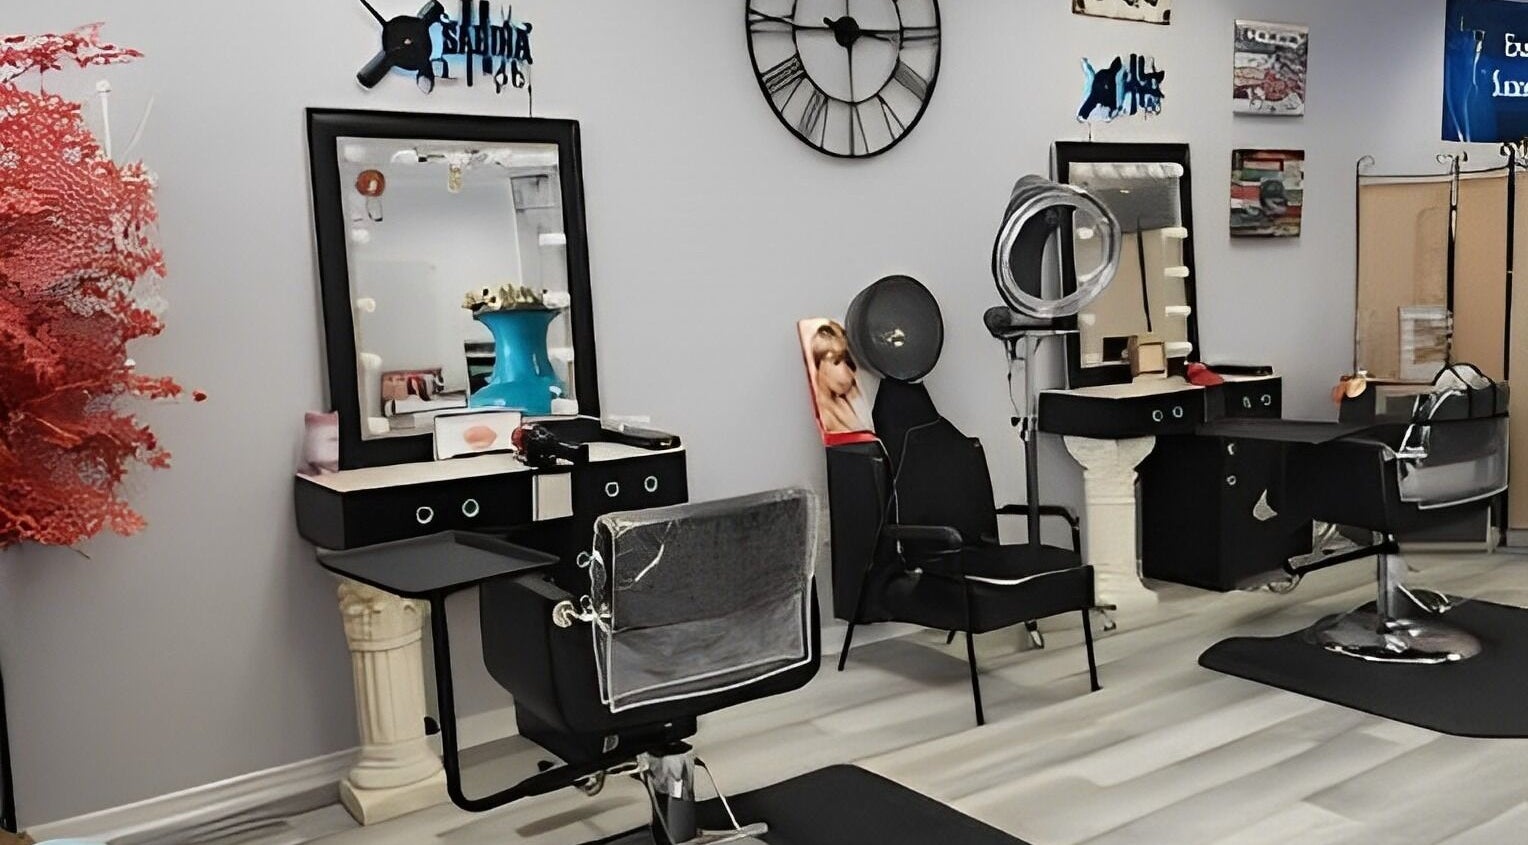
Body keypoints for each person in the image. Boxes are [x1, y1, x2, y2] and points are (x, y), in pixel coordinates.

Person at [808, 321, 871, 434]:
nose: (850, 374)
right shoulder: (825, 414)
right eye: (837, 361)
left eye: (846, 361)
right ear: (821, 365)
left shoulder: (842, 400)